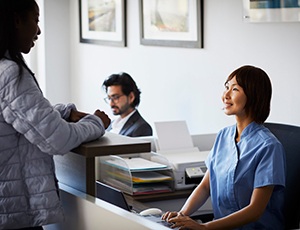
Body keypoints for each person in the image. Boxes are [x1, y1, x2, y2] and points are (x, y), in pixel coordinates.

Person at [0, 0, 111, 229]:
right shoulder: (10, 72)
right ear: (17, 20)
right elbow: (58, 139)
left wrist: (63, 111)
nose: (38, 30)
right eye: (36, 20)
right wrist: (96, 122)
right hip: (14, 215)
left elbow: (15, 119)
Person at [162, 65, 286, 229]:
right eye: (226, 87)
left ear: (253, 96)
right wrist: (182, 215)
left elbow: (255, 210)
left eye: (234, 89)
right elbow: (205, 186)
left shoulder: (269, 146)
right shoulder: (223, 136)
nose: (225, 95)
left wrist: (205, 227)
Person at [102, 72, 152, 137]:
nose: (111, 104)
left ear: (131, 97)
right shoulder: (112, 124)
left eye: (115, 97)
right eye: (109, 98)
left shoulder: (142, 128)